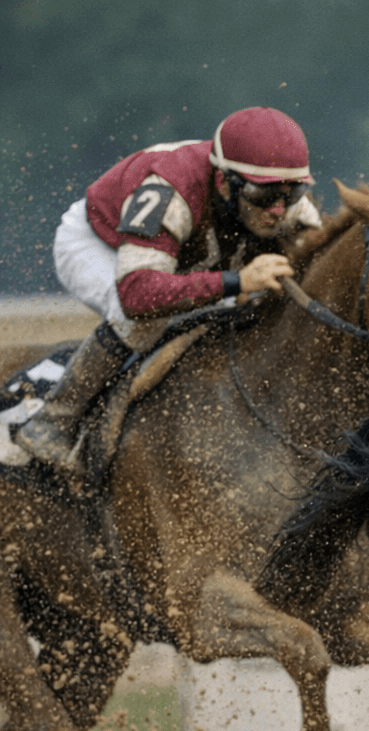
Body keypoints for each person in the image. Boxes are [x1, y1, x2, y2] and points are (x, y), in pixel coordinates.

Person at [16, 106, 321, 469]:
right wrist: (235, 281)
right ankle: (52, 422)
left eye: (293, 193)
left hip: (182, 257)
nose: (278, 210)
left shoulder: (288, 205)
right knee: (143, 319)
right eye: (263, 195)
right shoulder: (170, 190)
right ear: (225, 182)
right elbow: (137, 294)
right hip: (100, 244)